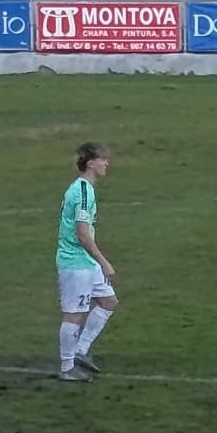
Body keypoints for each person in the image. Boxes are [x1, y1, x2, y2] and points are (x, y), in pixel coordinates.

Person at [54, 143, 120, 382]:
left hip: (85, 262)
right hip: (76, 263)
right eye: (102, 159)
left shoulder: (85, 189)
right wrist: (103, 261)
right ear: (90, 163)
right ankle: (67, 366)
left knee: (108, 301)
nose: (106, 164)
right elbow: (82, 233)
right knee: (74, 314)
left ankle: (80, 350)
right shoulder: (81, 191)